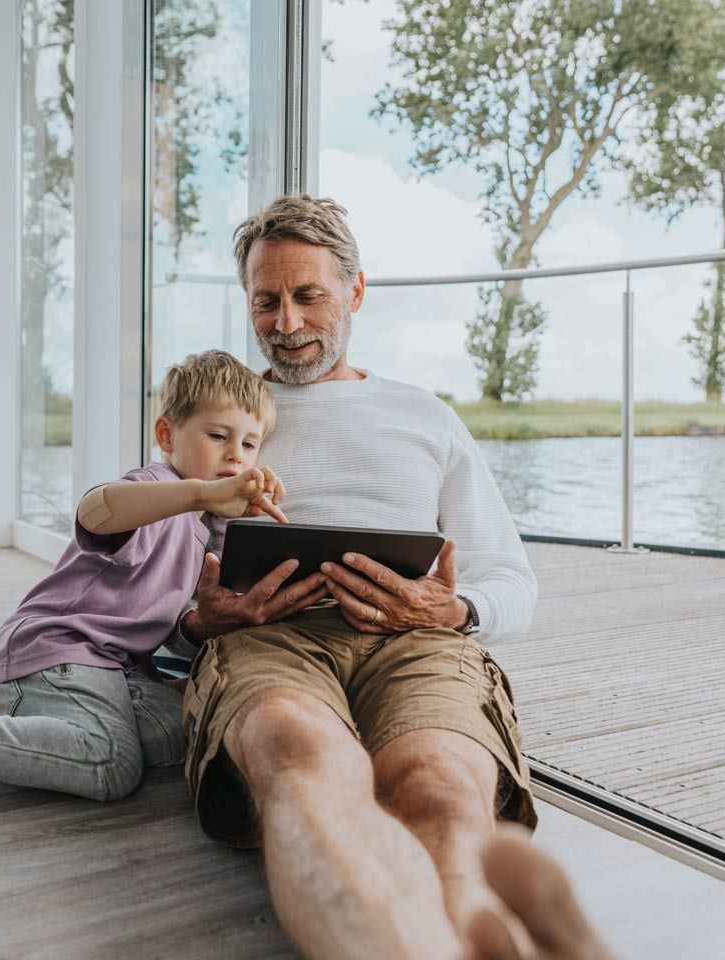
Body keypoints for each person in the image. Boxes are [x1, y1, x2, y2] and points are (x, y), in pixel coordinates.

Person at [174, 195, 544, 959]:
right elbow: (141, 576)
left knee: (437, 785)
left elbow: (511, 576)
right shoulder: (214, 415)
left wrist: (455, 609)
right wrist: (199, 619)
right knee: (306, 766)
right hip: (268, 643)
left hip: (418, 641)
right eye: (265, 301)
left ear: (356, 291)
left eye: (308, 296)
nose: (285, 324)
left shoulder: (423, 415)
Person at [0, 350, 311, 802]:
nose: (235, 456)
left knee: (189, 730)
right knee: (112, 764)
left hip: (114, 669)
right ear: (167, 435)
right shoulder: (153, 488)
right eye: (218, 436)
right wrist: (201, 493)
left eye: (249, 445)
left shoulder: (206, 529)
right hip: (54, 651)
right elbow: (95, 512)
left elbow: (169, 626)